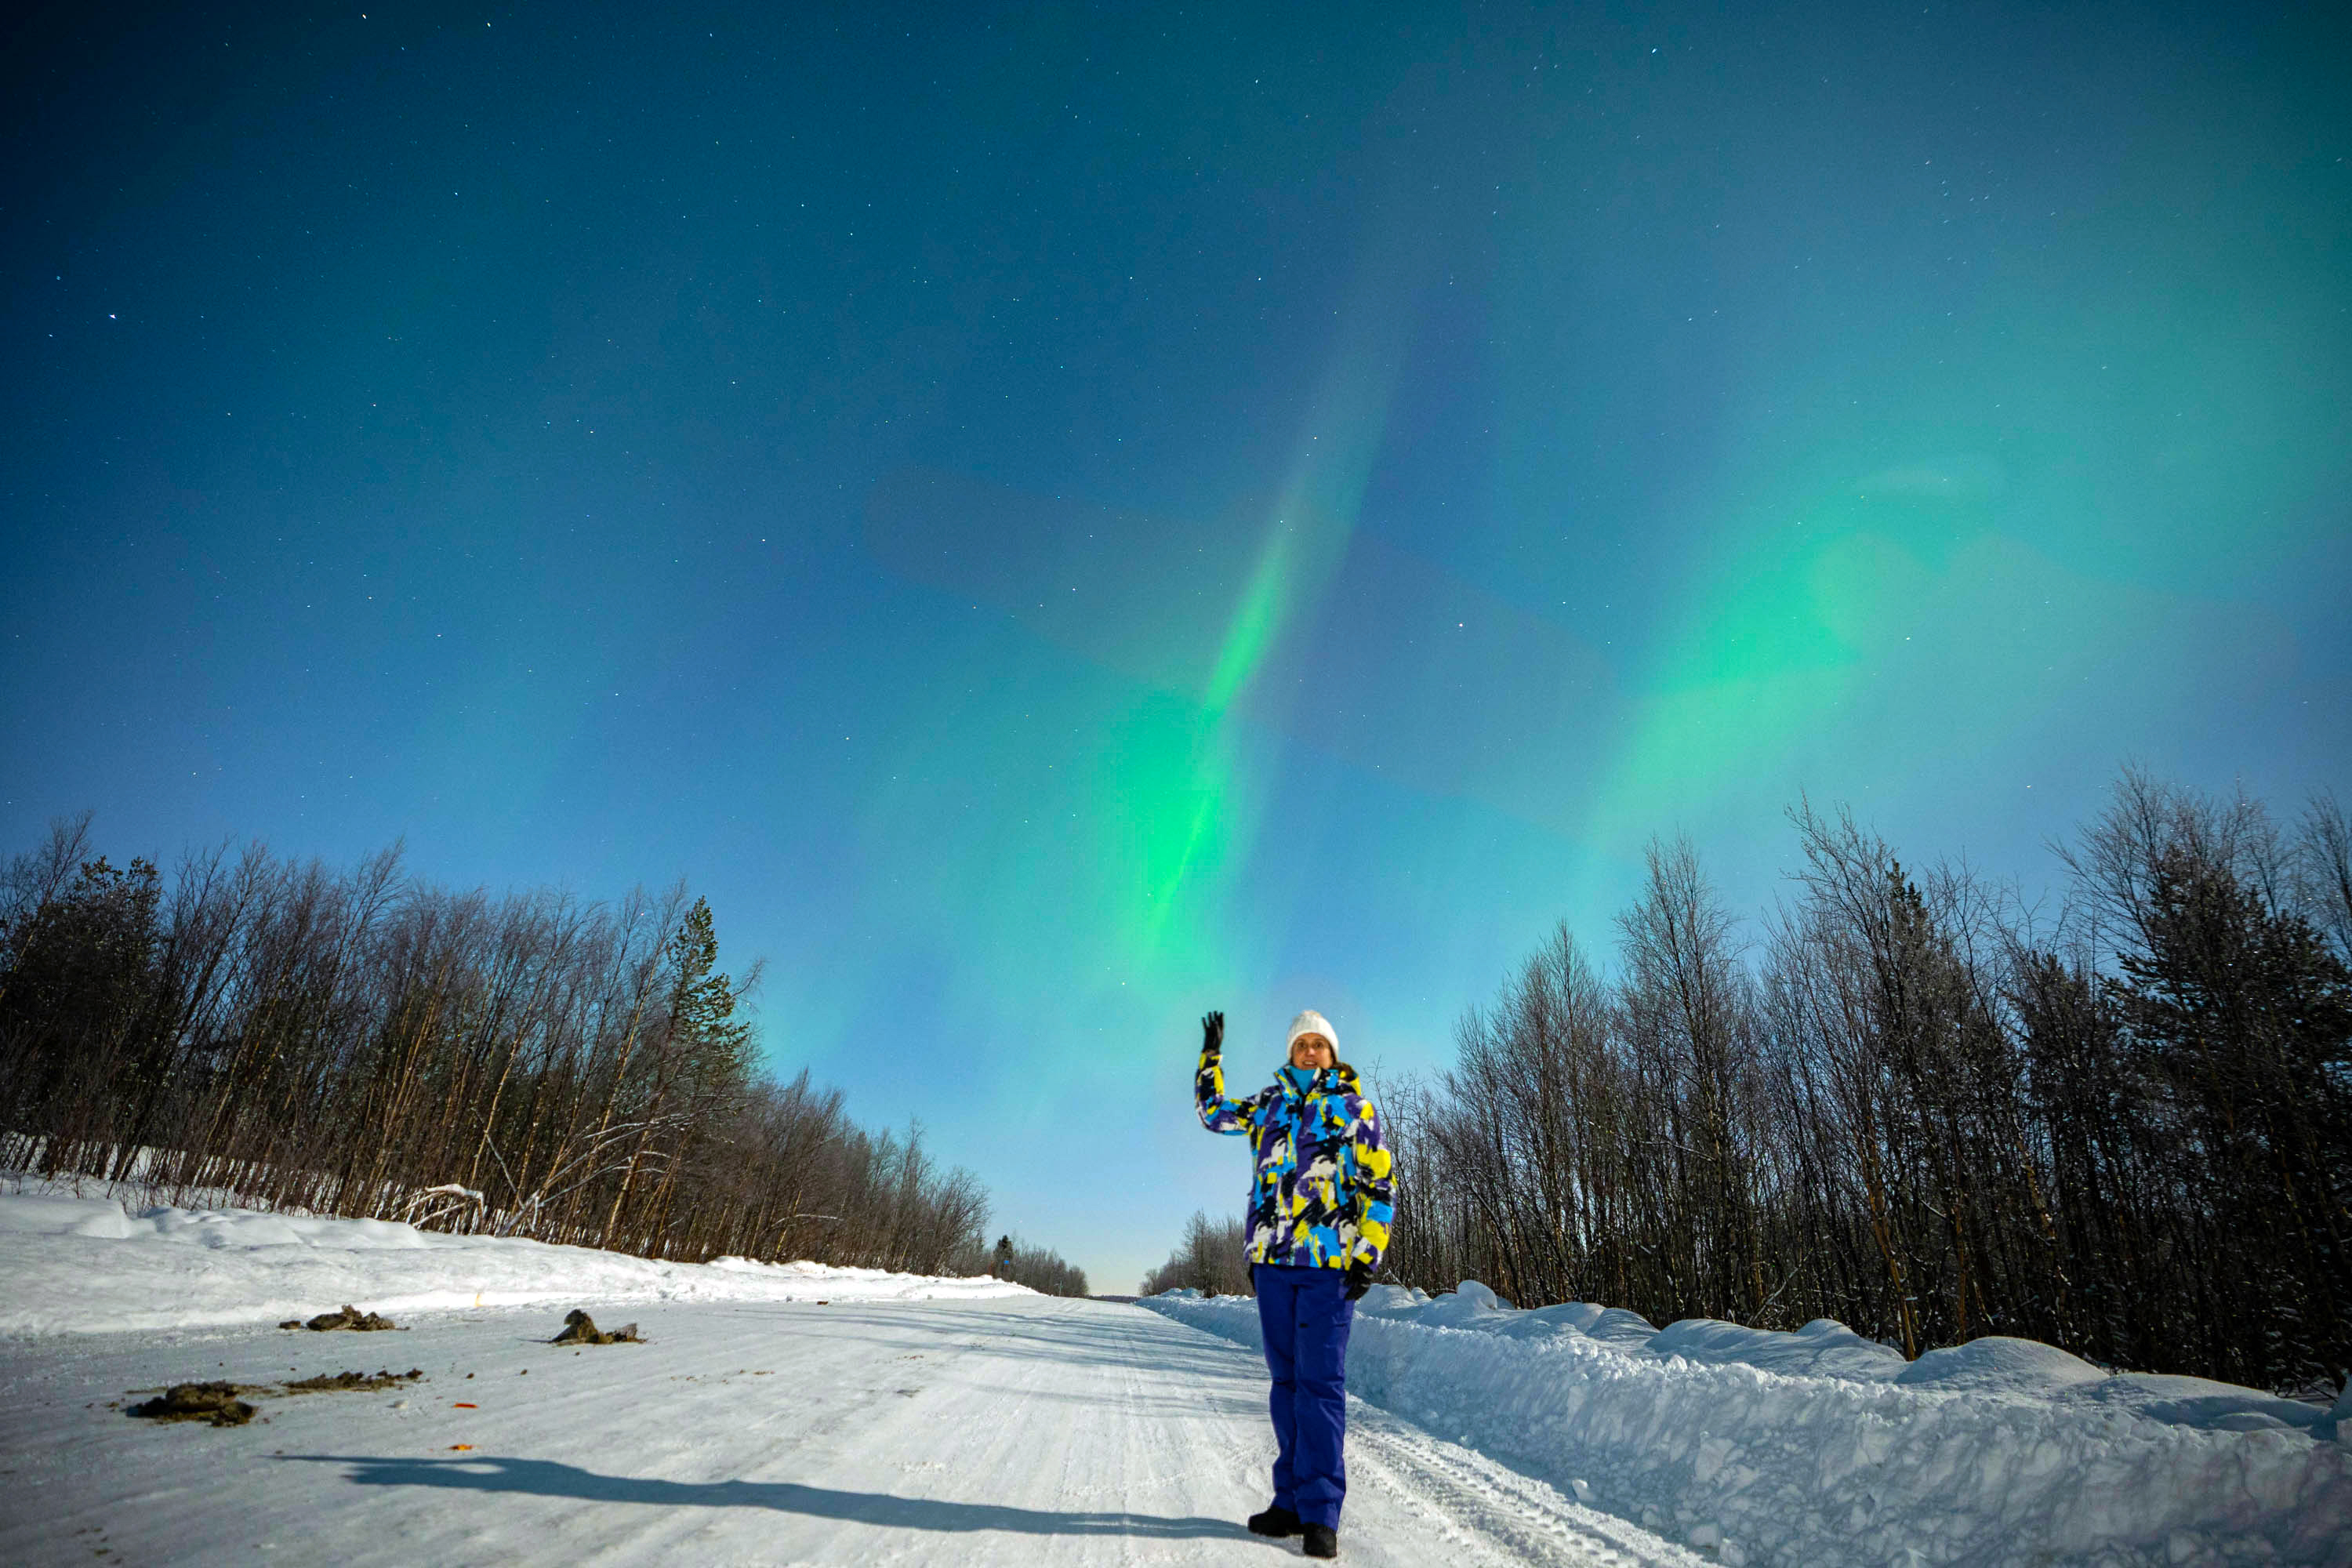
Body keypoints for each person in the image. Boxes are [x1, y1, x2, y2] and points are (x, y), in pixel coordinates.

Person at [1194, 1007, 1393, 1561]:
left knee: (1321, 1387)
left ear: (1333, 1053)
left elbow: (1380, 1185)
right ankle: (1289, 1503)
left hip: (1329, 1267)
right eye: (1301, 1043)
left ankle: (1321, 1514)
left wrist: (1367, 1254)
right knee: (1285, 1386)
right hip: (1274, 1265)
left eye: (1319, 1044)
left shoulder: (1354, 1110)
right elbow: (1213, 1113)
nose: (1310, 1051)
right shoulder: (1269, 1105)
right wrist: (1211, 1057)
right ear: (1290, 1052)